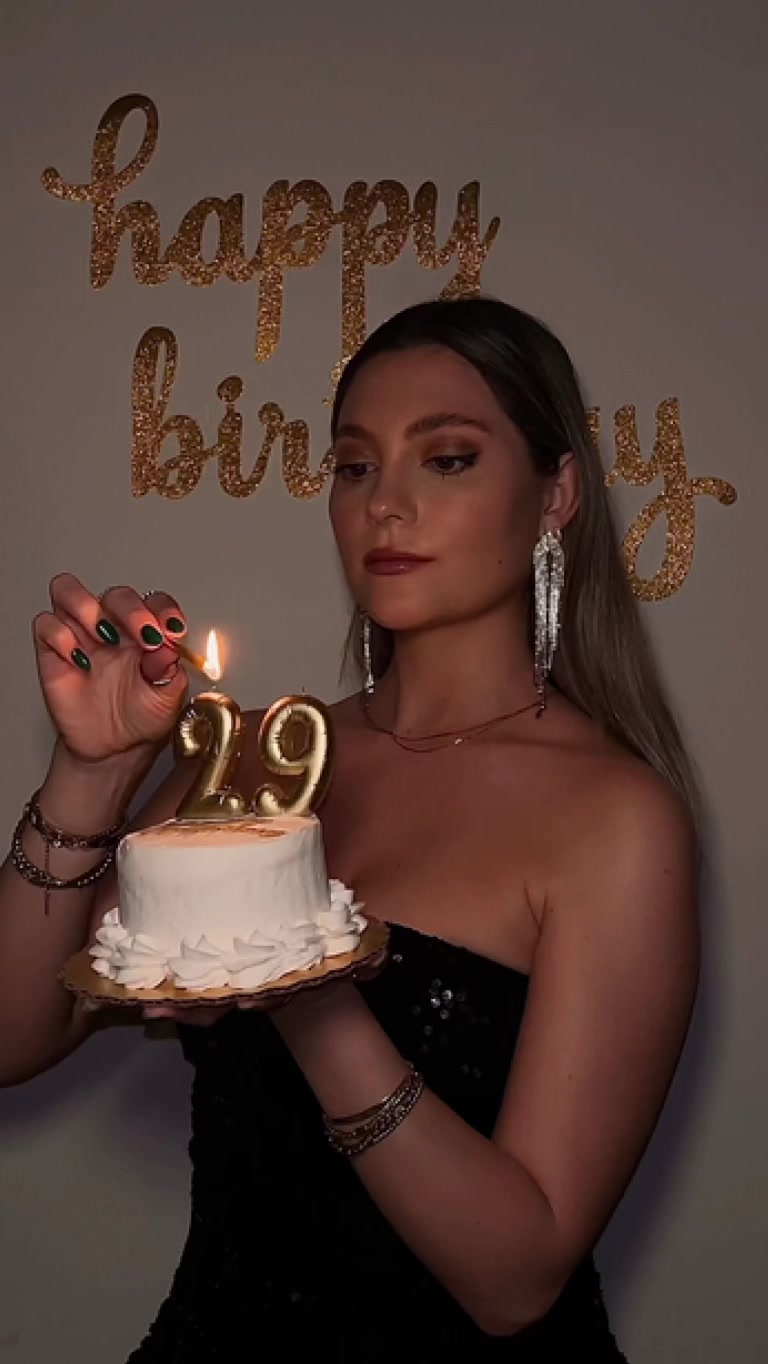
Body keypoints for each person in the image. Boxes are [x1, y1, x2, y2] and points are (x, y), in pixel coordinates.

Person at [0, 297, 699, 1361]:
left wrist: (304, 989)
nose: (387, 505)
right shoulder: (257, 761)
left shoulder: (618, 819)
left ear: (555, 493)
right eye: (356, 466)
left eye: (448, 459)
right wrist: (92, 773)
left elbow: (515, 1283)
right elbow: (14, 1036)